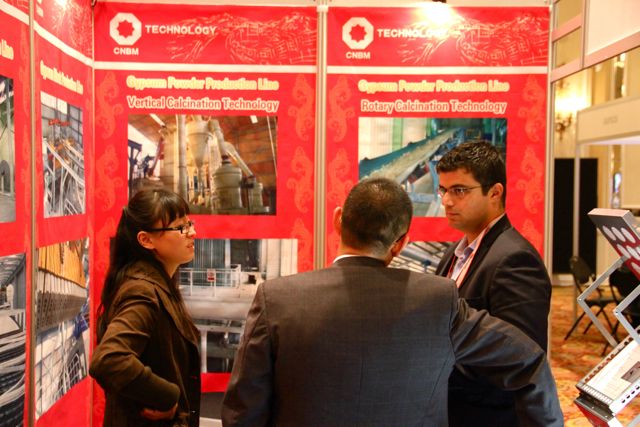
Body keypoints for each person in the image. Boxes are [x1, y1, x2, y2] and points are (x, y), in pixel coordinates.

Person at [221, 177, 562, 427]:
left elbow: (243, 410)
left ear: (338, 220)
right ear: (400, 243)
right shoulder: (437, 301)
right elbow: (529, 361)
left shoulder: (278, 299)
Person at [434, 141, 552, 426]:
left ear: (495, 192)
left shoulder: (515, 259)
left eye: (459, 190)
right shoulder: (455, 252)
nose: (447, 201)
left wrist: (433, 367)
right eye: (443, 190)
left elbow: (520, 359)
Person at [89, 188, 201, 427]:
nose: (192, 232)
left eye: (189, 223)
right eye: (180, 227)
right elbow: (109, 360)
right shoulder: (142, 290)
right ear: (146, 240)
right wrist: (167, 397)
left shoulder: (159, 283)